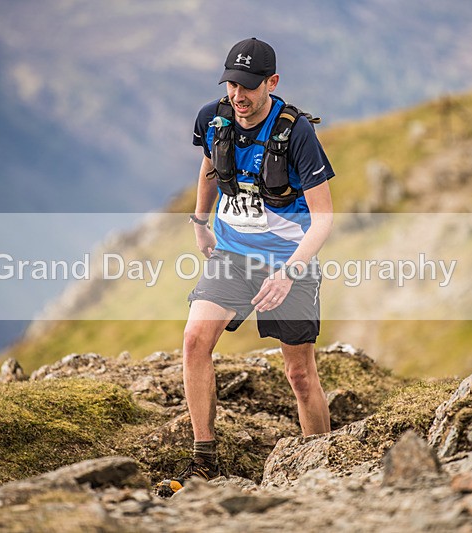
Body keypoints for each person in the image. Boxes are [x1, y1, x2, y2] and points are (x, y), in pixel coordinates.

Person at [155, 37, 335, 497]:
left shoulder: (297, 133)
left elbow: (324, 218)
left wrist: (290, 272)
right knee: (194, 340)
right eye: (232, 84)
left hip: (288, 261)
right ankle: (204, 462)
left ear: (271, 83)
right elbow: (209, 167)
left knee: (299, 375)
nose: (238, 95)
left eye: (249, 86)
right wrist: (200, 222)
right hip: (232, 255)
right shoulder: (213, 119)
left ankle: (322, 469)